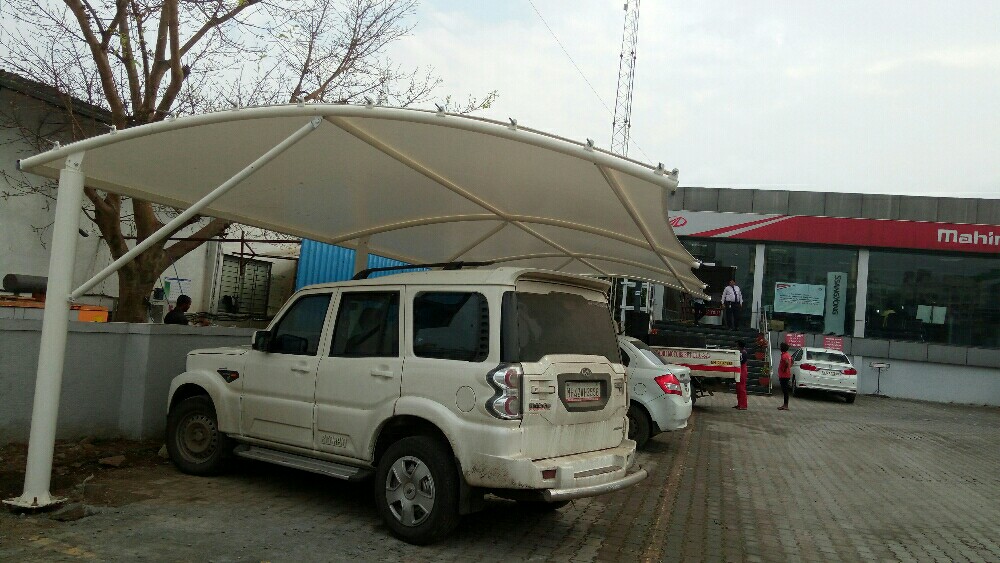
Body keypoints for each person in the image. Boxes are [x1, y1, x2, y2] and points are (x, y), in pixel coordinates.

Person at [777, 341, 792, 410]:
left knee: (785, 390)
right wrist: (789, 367)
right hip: (787, 375)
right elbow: (792, 361)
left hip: (783, 375)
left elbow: (786, 362)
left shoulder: (784, 355)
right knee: (785, 390)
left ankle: (785, 405)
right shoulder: (788, 355)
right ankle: (785, 405)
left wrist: (785, 369)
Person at [734, 340, 748, 410]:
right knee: (738, 388)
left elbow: (741, 361)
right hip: (740, 371)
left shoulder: (743, 353)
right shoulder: (741, 352)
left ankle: (743, 405)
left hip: (742, 371)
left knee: (741, 388)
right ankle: (740, 404)